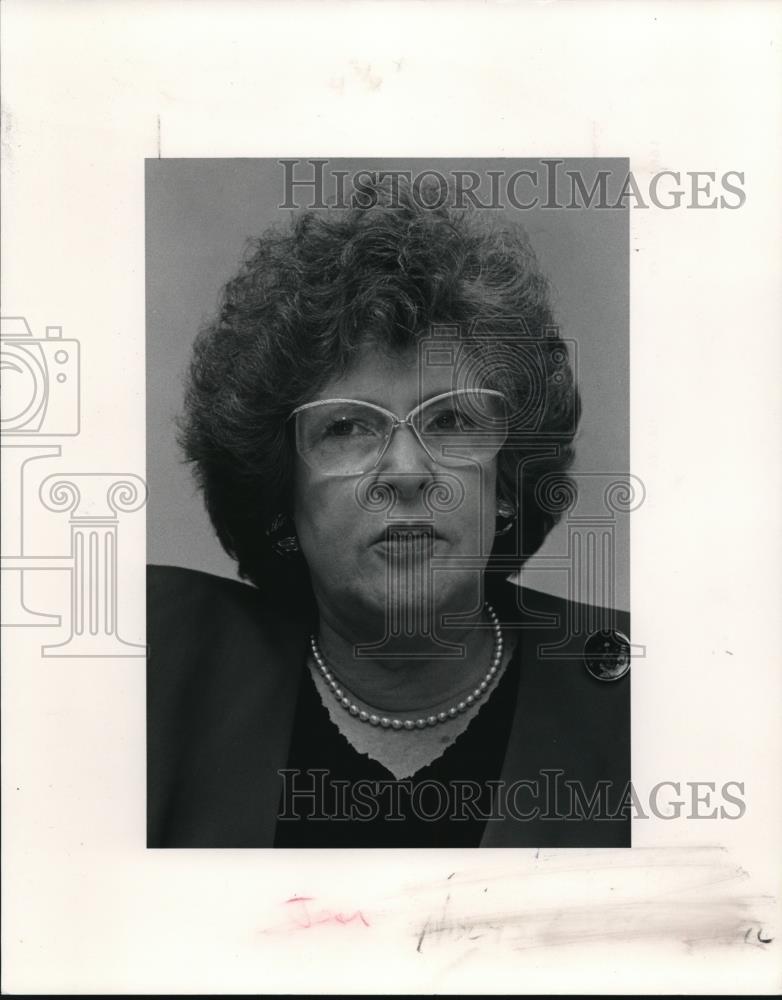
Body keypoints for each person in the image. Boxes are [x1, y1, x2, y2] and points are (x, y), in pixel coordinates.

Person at [147, 178, 631, 849]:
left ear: (506, 485)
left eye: (453, 420)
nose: (407, 472)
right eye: (348, 428)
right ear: (281, 499)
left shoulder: (646, 692)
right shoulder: (160, 664)